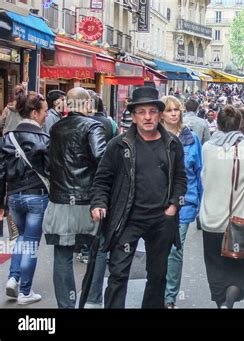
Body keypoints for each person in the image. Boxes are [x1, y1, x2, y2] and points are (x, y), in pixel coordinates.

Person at [90, 87, 187, 309]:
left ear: (159, 114)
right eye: (141, 112)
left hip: (161, 220)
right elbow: (102, 179)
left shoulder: (172, 144)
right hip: (127, 219)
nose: (147, 117)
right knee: (118, 273)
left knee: (158, 275)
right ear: (133, 117)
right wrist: (98, 203)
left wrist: (173, 205)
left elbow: (181, 178)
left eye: (152, 111)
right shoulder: (118, 145)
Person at [42, 87, 107, 308]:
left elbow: (49, 162)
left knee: (62, 255)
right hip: (87, 202)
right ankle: (91, 300)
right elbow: (102, 159)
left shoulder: (56, 128)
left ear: (68, 105)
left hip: (59, 201)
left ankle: (66, 305)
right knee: (98, 251)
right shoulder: (93, 126)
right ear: (88, 104)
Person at [199, 105, 244, 308]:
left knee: (215, 266)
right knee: (239, 270)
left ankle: (221, 304)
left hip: (211, 220)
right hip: (237, 222)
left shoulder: (207, 147)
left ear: (218, 124)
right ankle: (229, 303)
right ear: (240, 124)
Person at [1, 90, 49, 305]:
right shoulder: (44, 138)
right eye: (45, 111)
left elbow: (1, 172)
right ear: (35, 112)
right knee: (29, 243)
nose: (47, 114)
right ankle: (25, 292)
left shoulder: (7, 138)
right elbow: (51, 171)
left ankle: (13, 278)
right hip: (36, 197)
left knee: (18, 240)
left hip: (13, 197)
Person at [160, 95, 202, 309]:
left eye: (177, 109)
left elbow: (199, 172)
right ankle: (157, 290)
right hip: (157, 202)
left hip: (185, 202)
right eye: (169, 110)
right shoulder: (153, 137)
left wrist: (200, 206)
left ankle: (169, 297)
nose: (174, 113)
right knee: (159, 248)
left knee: (176, 249)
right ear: (162, 114)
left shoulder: (191, 138)